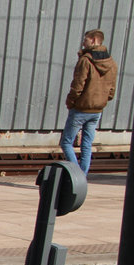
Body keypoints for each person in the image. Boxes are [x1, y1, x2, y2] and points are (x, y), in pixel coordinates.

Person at [60, 29, 118, 175]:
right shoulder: (111, 62)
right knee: (86, 144)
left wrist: (70, 101)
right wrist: (105, 100)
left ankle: (76, 175)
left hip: (81, 108)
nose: (83, 42)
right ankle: (82, 177)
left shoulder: (85, 60)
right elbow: (112, 87)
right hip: (97, 110)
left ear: (93, 40)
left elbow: (78, 85)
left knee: (66, 142)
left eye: (85, 40)